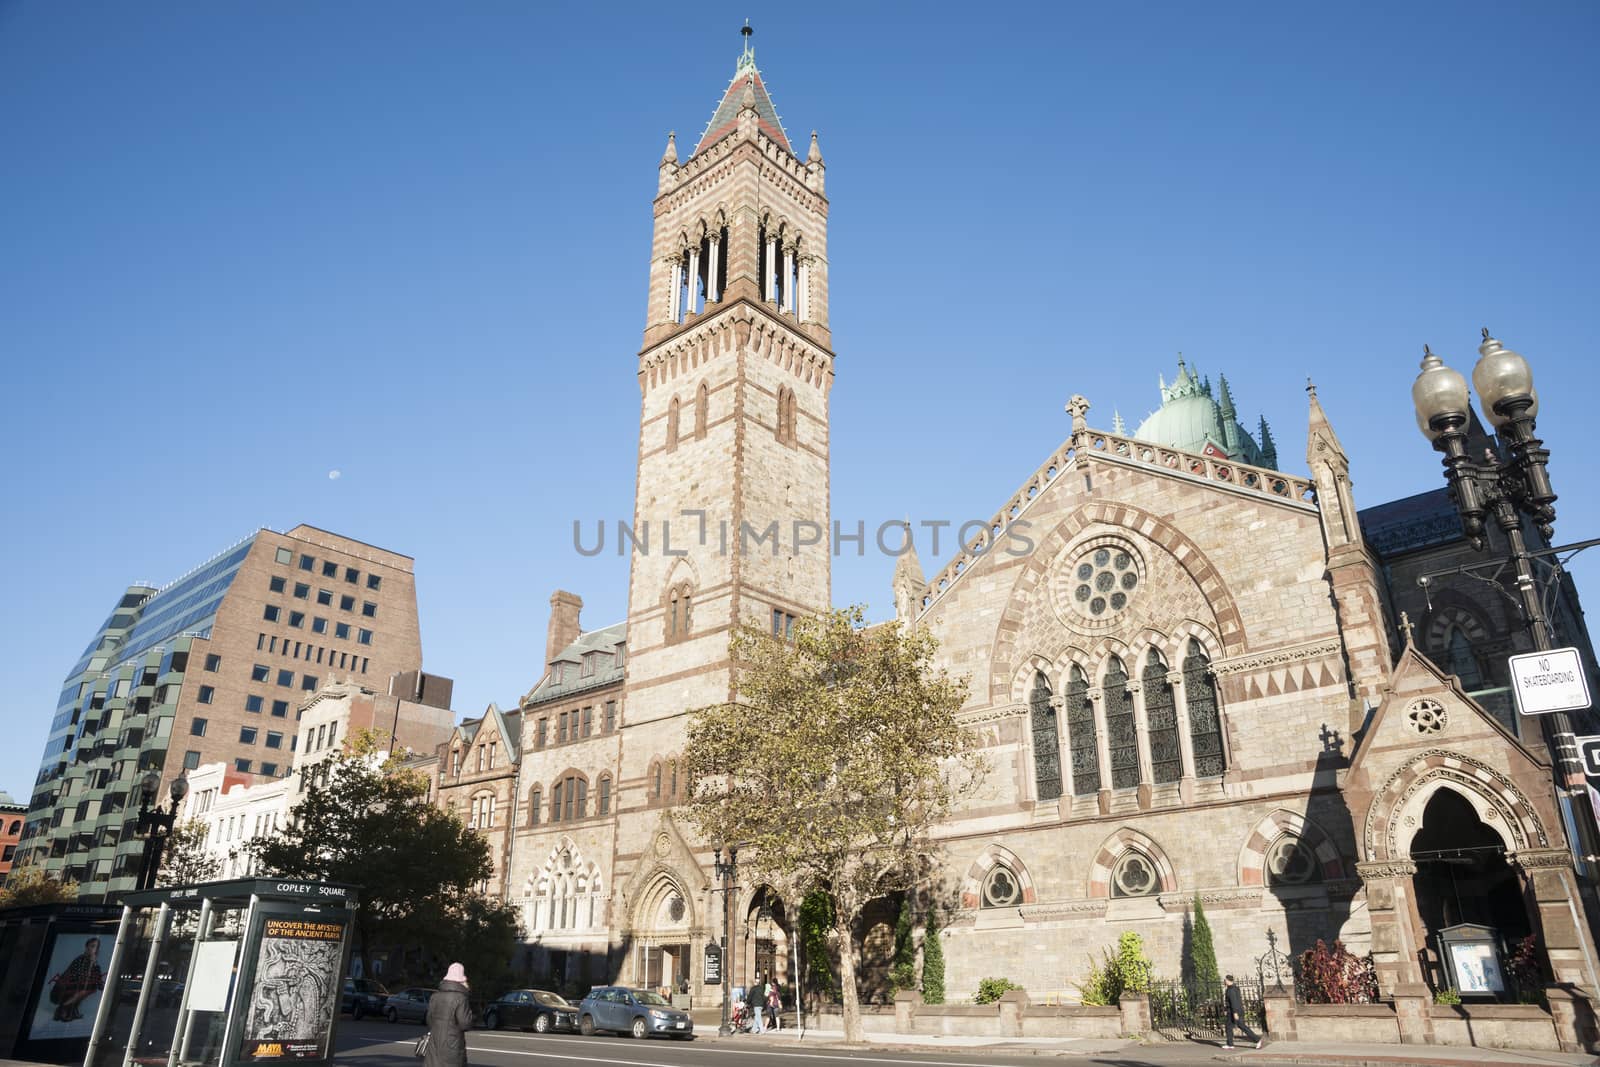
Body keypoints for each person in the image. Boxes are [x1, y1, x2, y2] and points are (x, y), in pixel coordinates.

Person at [424, 963, 473, 1067]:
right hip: (453, 1047)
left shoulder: (435, 996)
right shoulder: (461, 998)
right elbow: (465, 1024)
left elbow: (429, 1020)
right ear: (461, 979)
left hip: (434, 1046)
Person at [50, 937, 104, 1022]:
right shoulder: (81, 960)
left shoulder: (92, 961)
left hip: (74, 987)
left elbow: (96, 977)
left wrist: (94, 964)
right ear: (87, 948)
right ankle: (63, 1008)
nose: (95, 949)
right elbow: (77, 977)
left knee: (91, 987)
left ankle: (71, 1009)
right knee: (88, 988)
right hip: (62, 990)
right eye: (93, 946)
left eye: (97, 947)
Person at [1221, 974, 1262, 1050]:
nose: (1224, 981)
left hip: (1234, 1012)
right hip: (1235, 1011)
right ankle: (1230, 1044)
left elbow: (1234, 1002)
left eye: (1225, 980)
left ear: (1227, 980)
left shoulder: (1231, 990)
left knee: (1241, 1026)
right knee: (1229, 1027)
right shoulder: (1235, 988)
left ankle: (1257, 1039)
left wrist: (1235, 1012)